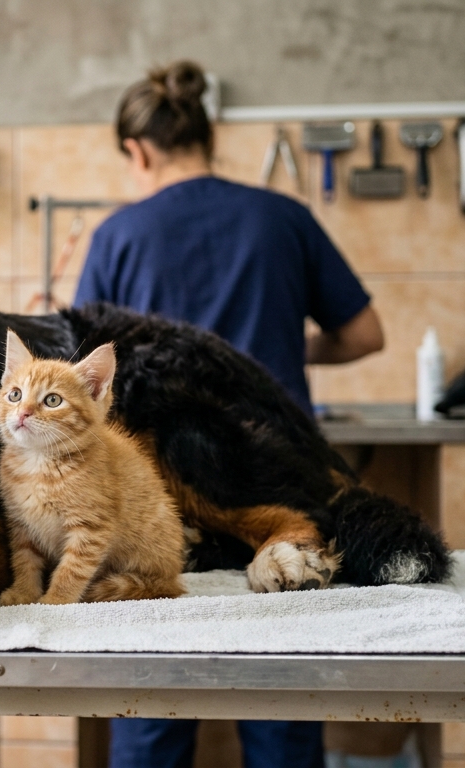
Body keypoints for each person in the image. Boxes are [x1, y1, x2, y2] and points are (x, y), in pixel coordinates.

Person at [73, 61, 385, 768]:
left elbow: (87, 371)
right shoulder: (284, 217)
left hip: (164, 495)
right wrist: (280, 347)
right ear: (209, 137)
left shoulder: (120, 235)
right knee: (283, 690)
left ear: (139, 150)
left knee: (150, 693)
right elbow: (366, 334)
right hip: (276, 485)